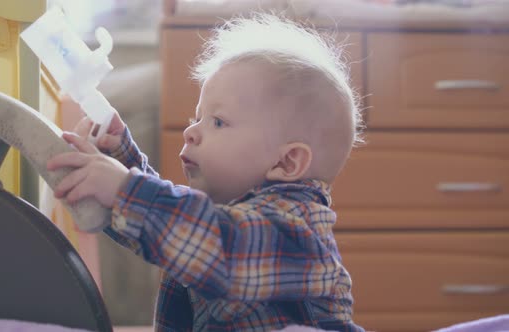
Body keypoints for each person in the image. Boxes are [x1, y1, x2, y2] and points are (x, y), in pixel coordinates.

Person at [47, 13, 364, 332]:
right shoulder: (218, 217)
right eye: (196, 118)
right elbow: (166, 229)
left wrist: (123, 188)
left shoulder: (297, 234)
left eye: (218, 122)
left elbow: (209, 242)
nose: (191, 132)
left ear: (287, 163)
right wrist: (118, 159)